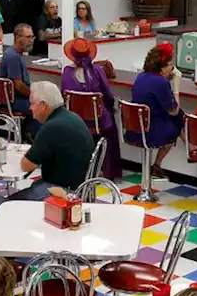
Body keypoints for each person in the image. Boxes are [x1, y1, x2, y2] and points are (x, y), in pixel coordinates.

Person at [15, 82, 95, 199]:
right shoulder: (71, 116)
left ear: (43, 105)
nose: (30, 108)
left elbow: (26, 165)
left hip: (64, 191)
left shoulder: (51, 127)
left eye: (32, 104)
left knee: (7, 205)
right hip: (81, 186)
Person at [62, 37, 121, 179]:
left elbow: (64, 94)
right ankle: (109, 171)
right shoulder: (97, 71)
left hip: (75, 121)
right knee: (111, 126)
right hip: (97, 120)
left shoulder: (67, 72)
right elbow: (108, 95)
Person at [128, 45, 185, 177]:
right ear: (162, 66)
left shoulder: (141, 77)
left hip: (134, 129)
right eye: (170, 64)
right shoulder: (161, 83)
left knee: (177, 118)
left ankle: (158, 165)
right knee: (178, 118)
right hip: (152, 132)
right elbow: (174, 110)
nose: (172, 67)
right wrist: (176, 85)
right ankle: (191, 150)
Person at [0, 23, 35, 117]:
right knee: (45, 109)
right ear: (17, 38)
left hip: (15, 100)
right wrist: (33, 96)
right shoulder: (13, 57)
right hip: (15, 102)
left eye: (32, 37)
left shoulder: (14, 54)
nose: (31, 40)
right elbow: (18, 86)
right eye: (28, 37)